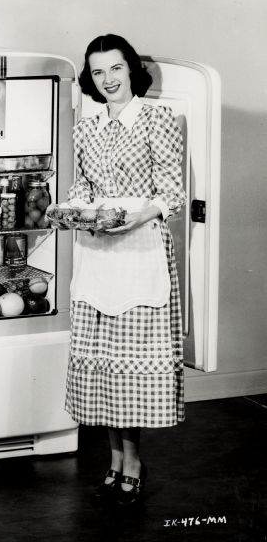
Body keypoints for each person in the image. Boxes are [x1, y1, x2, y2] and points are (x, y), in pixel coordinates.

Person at [64, 34, 186, 505]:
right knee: (105, 367)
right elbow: (82, 188)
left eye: (115, 68)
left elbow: (172, 193)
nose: (108, 79)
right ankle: (113, 460)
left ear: (131, 70)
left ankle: (132, 461)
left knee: (130, 369)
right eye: (98, 72)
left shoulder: (158, 118)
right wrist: (71, 209)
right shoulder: (87, 128)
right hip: (98, 253)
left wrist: (141, 213)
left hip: (140, 250)